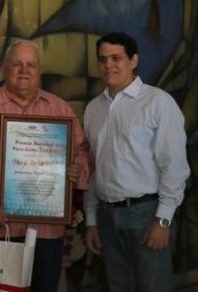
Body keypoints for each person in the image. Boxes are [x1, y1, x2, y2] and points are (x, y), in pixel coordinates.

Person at [0, 40, 90, 292]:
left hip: (46, 231)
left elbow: (82, 153)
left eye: (31, 65)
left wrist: (77, 171)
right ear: (5, 69)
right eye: (17, 64)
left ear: (39, 71)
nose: (24, 70)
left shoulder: (60, 109)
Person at [83, 32, 190, 292]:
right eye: (103, 59)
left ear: (134, 60)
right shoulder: (93, 109)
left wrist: (163, 221)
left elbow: (174, 168)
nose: (109, 65)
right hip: (107, 217)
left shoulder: (158, 103)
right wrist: (92, 220)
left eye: (116, 58)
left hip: (147, 216)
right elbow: (94, 169)